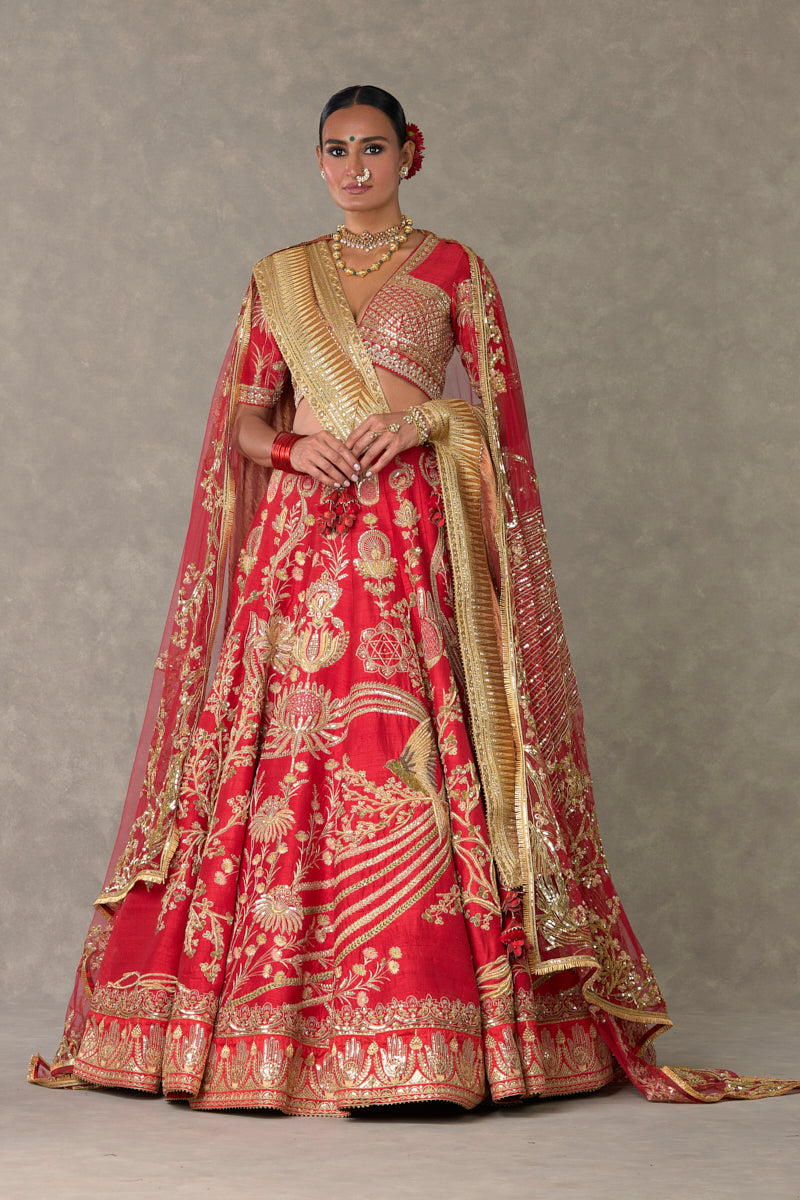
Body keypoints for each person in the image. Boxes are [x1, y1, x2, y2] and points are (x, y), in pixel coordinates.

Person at [29, 85, 796, 1114]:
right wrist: (292, 450)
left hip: (408, 534)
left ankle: (433, 1040)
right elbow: (244, 424)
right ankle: (257, 1033)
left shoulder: (454, 271)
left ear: (408, 155)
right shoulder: (279, 277)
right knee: (281, 755)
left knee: (402, 753)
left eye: (372, 148)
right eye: (336, 150)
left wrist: (431, 423)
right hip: (301, 540)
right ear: (318, 161)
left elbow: (500, 430)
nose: (353, 168)